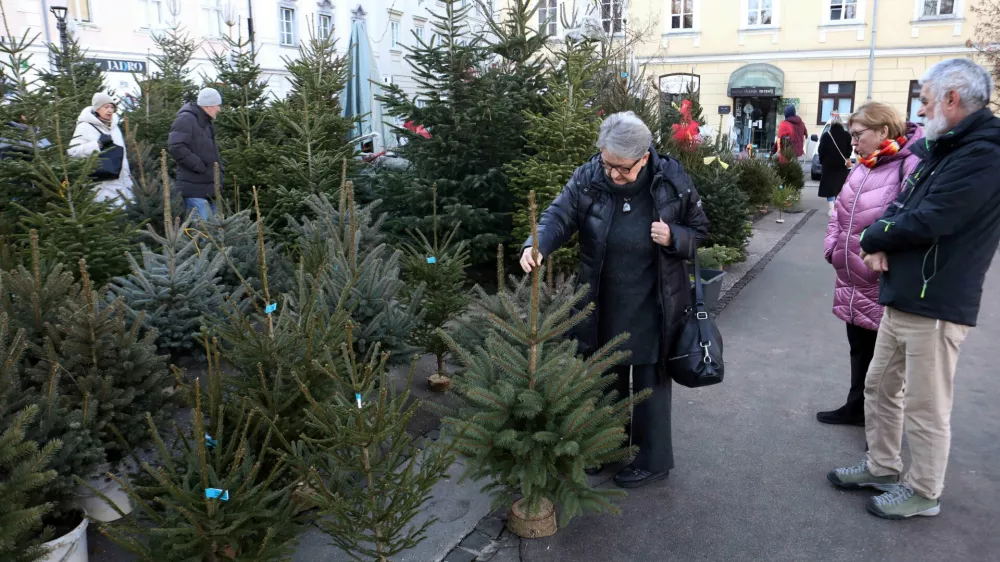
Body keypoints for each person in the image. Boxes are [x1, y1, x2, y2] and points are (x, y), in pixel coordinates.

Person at [827, 58, 1000, 520]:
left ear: (951, 99)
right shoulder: (943, 149)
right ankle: (883, 466)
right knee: (880, 385)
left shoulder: (983, 153)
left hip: (937, 299)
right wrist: (882, 234)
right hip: (905, 292)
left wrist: (873, 238)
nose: (919, 113)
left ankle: (924, 490)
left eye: (924, 102)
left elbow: (932, 219)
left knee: (926, 405)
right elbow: (900, 205)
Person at [519, 111, 710, 489]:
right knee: (604, 373)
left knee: (649, 382)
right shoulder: (590, 175)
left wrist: (674, 237)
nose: (613, 175)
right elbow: (560, 214)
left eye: (622, 169)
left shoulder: (670, 179)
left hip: (654, 297)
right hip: (602, 294)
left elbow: (700, 230)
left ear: (644, 157)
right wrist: (538, 243)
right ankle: (604, 447)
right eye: (608, 165)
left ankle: (653, 460)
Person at [820, 102, 922, 429]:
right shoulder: (864, 165)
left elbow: (907, 221)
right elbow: (839, 214)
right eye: (851, 134)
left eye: (858, 134)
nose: (853, 141)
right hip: (850, 275)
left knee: (885, 365)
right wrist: (832, 249)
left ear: (883, 130)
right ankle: (855, 408)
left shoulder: (907, 166)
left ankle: (878, 433)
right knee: (859, 352)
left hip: (880, 280)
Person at [168, 87, 224, 220]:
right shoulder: (186, 119)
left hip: (209, 189)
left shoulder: (205, 122)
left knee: (214, 233)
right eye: (217, 105)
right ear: (209, 106)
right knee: (200, 234)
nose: (219, 109)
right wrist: (199, 165)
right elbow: (176, 146)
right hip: (194, 189)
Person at [68, 92, 133, 204]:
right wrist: (97, 144)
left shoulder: (114, 128)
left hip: (122, 182)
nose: (110, 110)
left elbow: (122, 155)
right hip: (102, 186)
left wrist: (127, 176)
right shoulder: (85, 127)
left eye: (112, 107)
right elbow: (73, 152)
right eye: (106, 107)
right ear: (97, 109)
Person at [816, 111, 853, 217]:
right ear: (841, 124)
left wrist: (823, 160)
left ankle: (832, 209)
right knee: (840, 186)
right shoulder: (847, 135)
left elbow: (821, 150)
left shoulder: (826, 135)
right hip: (841, 165)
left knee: (829, 187)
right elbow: (849, 150)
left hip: (828, 165)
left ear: (831, 124)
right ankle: (839, 207)